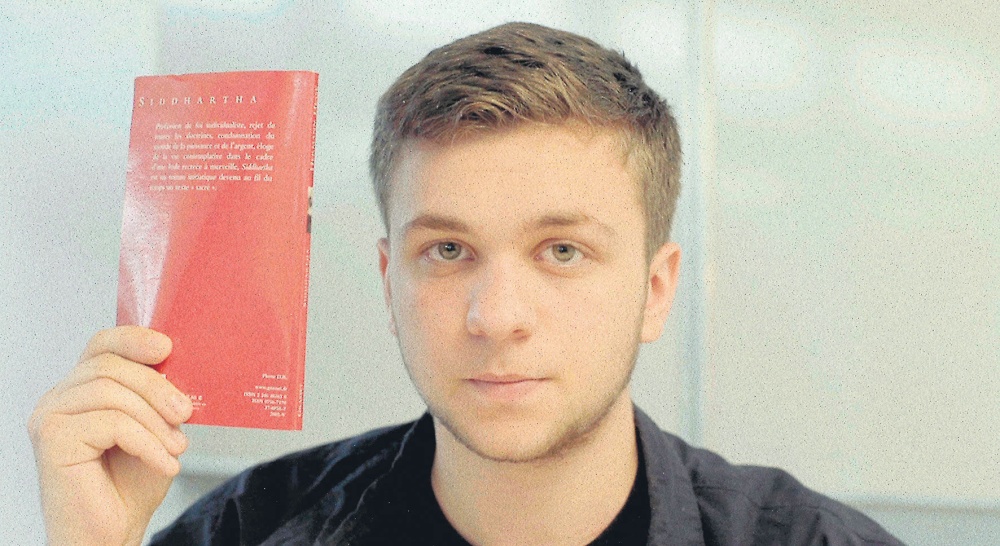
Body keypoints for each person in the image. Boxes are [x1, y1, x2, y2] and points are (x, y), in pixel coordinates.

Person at [29, 22, 903, 546]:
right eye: (447, 251)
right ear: (389, 282)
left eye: (563, 251)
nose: (497, 317)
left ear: (656, 289)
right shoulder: (248, 532)